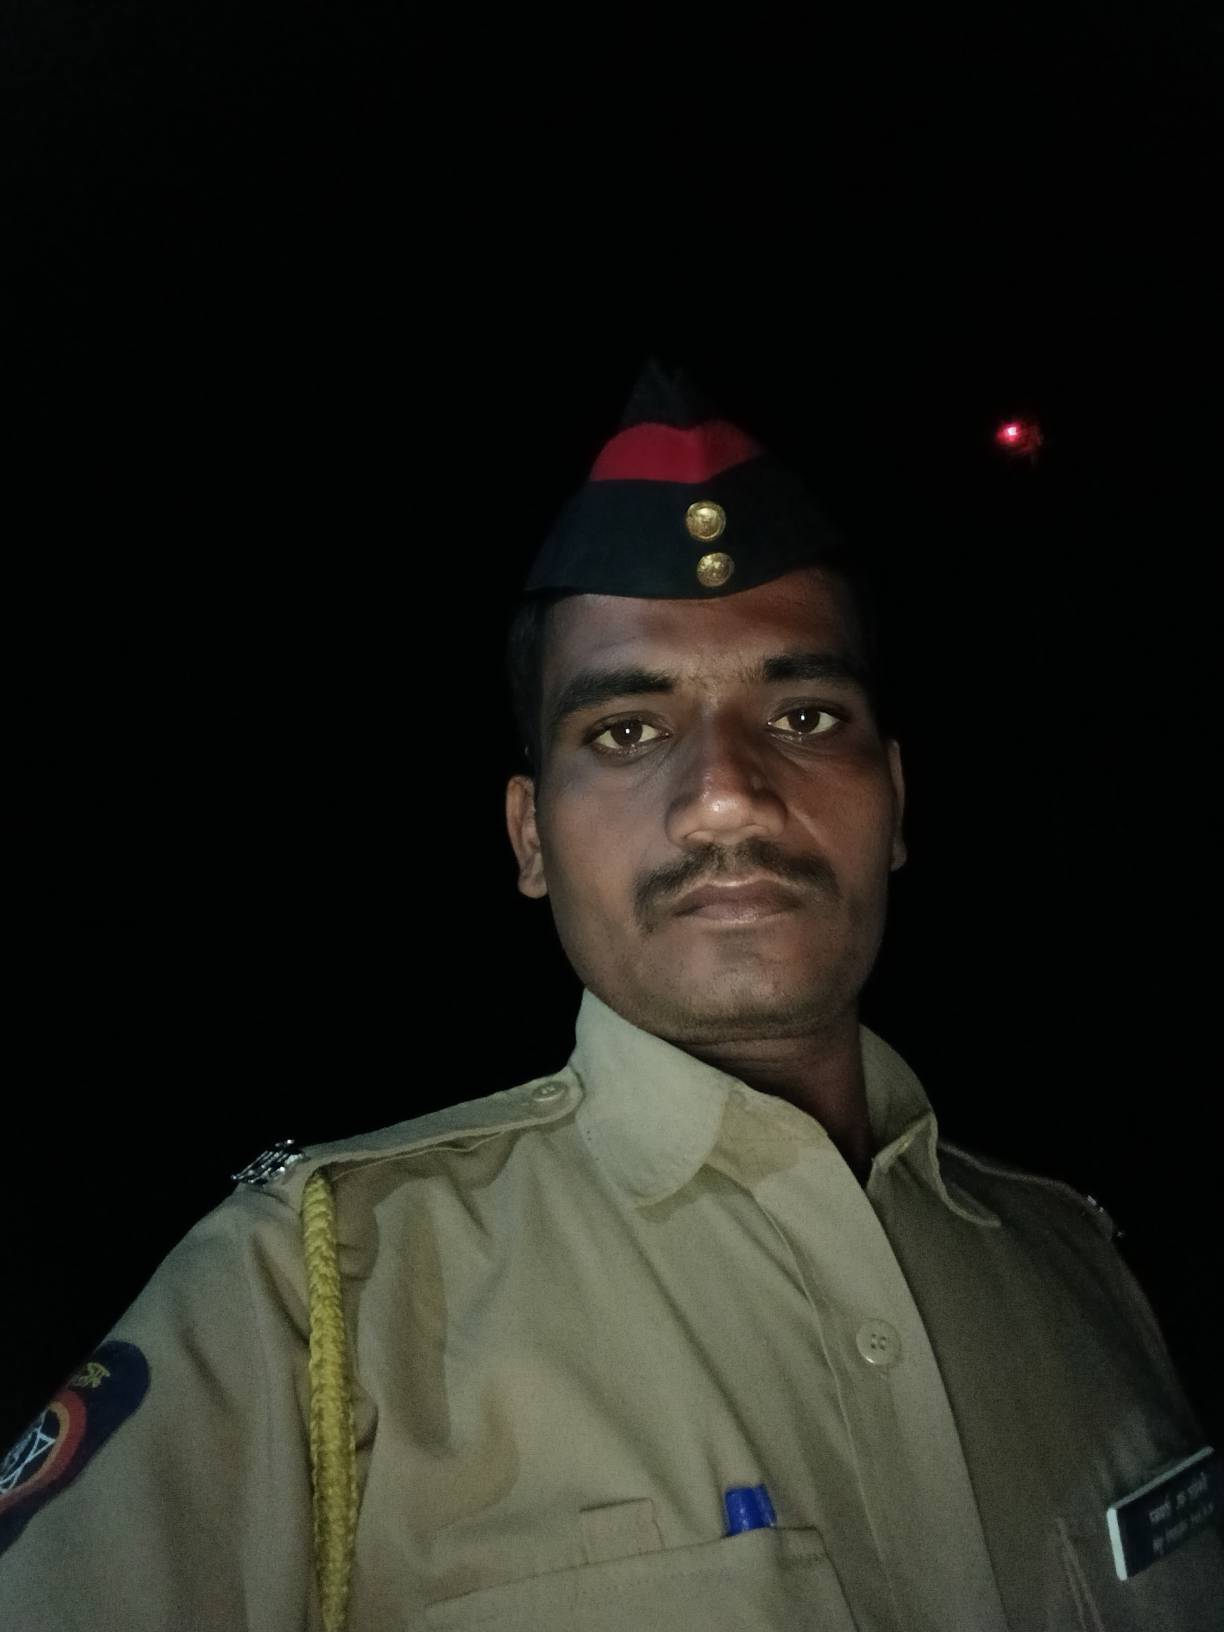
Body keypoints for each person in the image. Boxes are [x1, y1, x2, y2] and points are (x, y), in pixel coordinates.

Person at [1, 363, 1219, 1630]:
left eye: (806, 716)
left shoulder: (1076, 1266)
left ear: (897, 802)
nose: (729, 794)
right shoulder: (307, 1305)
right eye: (627, 731)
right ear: (529, 836)